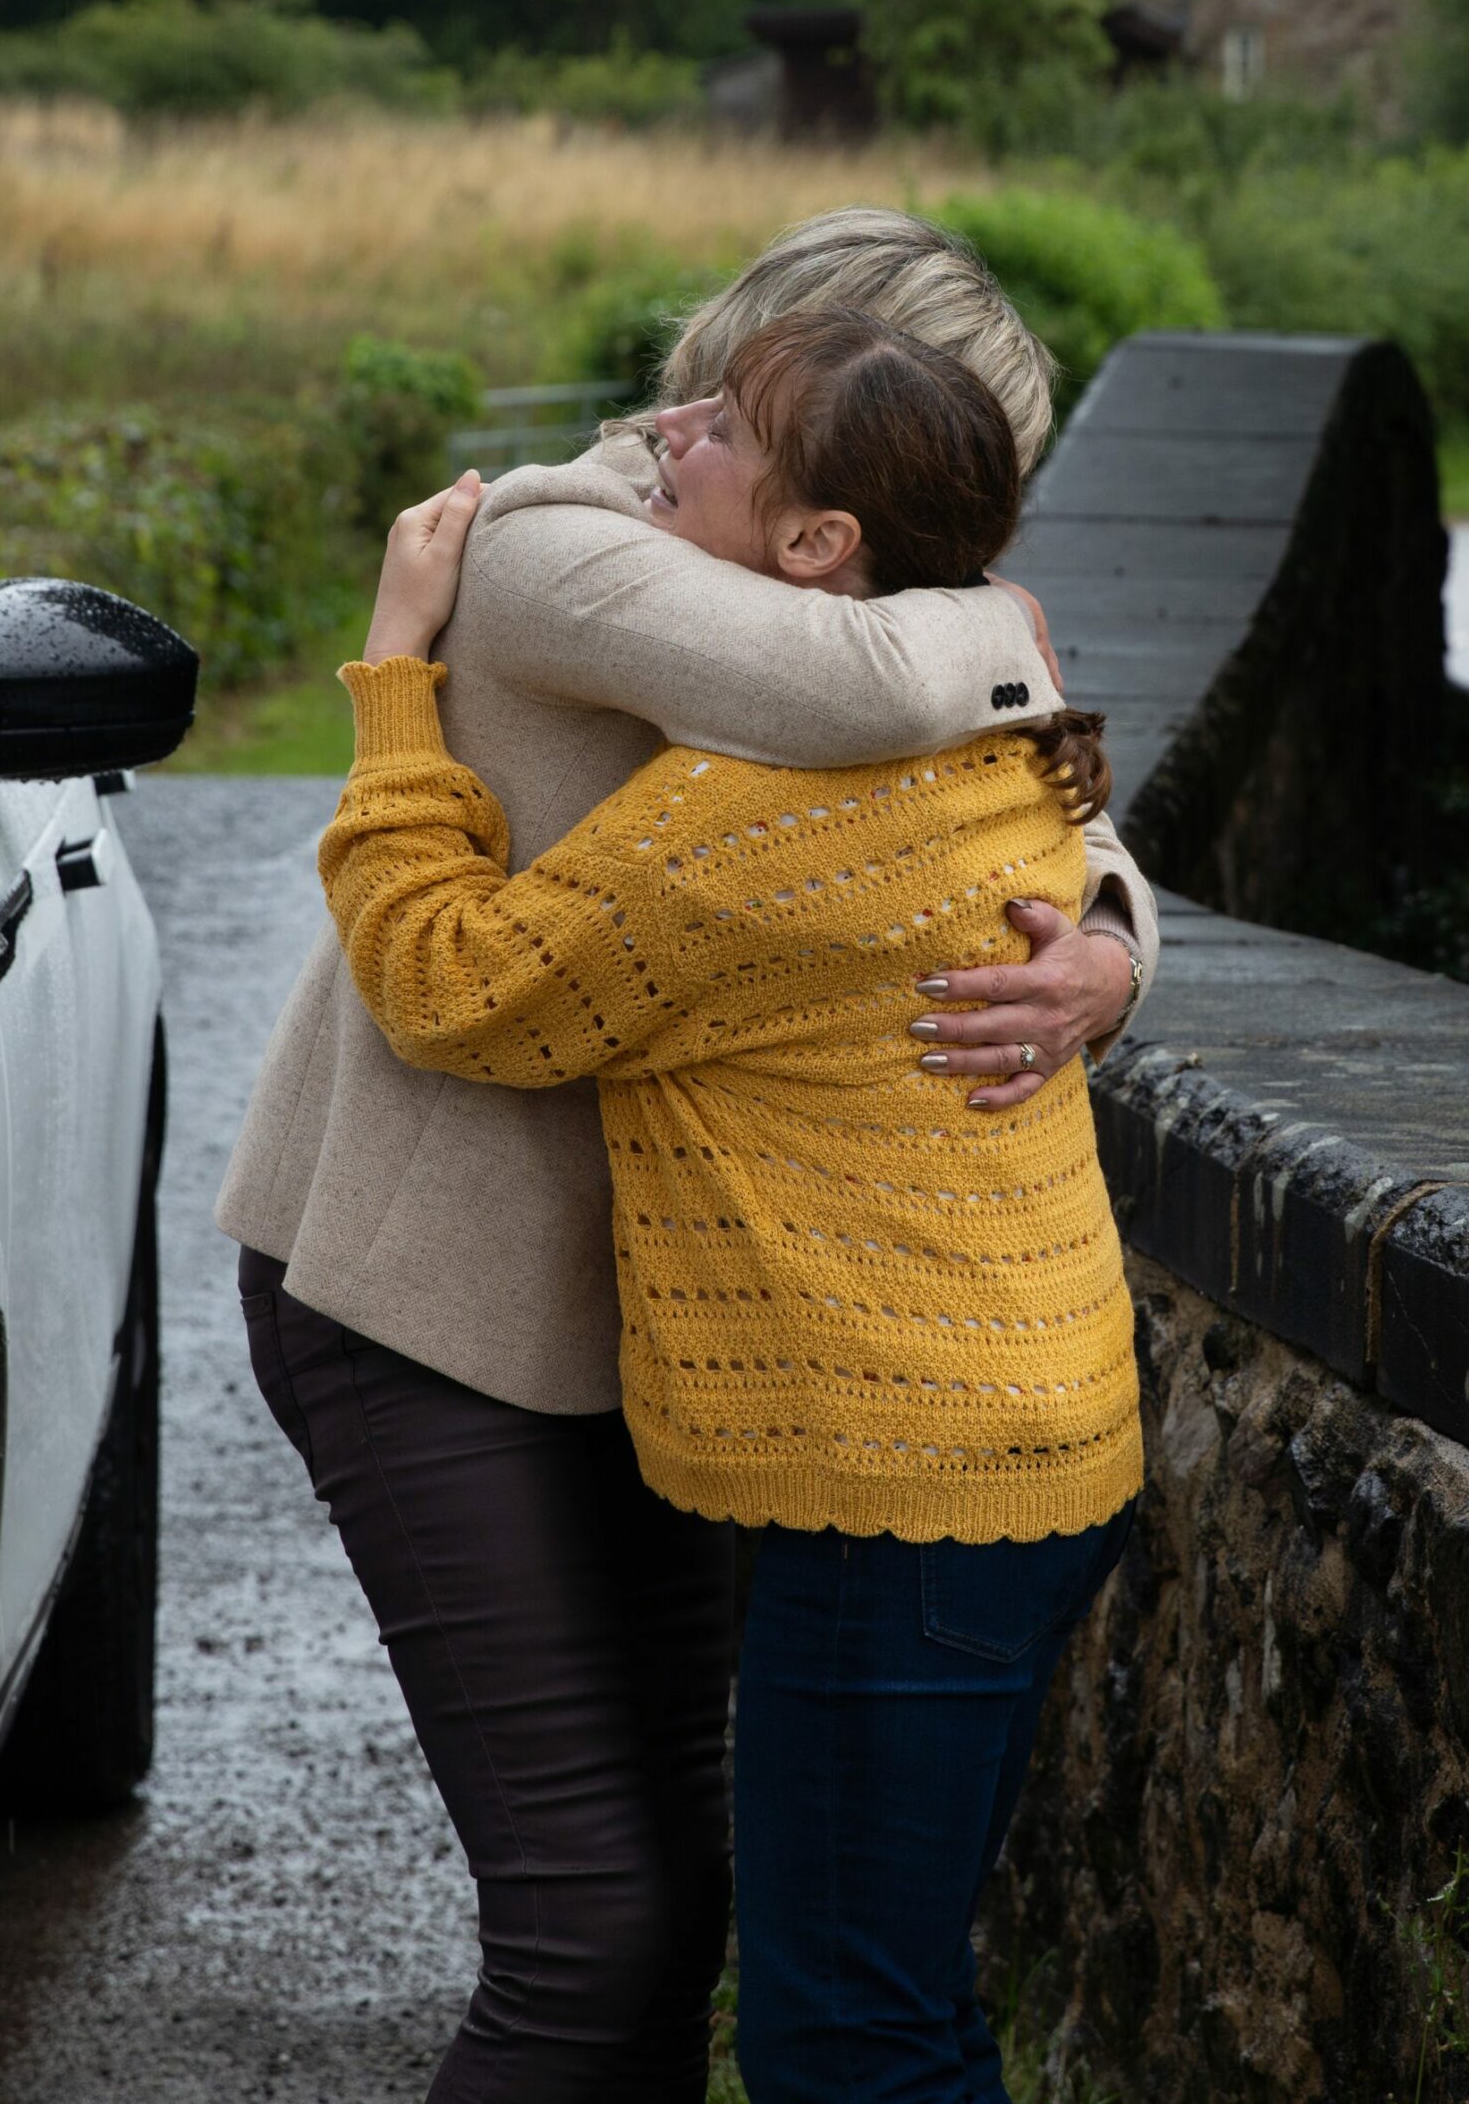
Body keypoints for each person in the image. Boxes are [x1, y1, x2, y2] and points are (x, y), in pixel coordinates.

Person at [217, 207, 1157, 2103]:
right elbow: (886, 701)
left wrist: (1113, 950)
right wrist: (998, 622)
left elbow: (1021, 808)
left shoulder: (844, 582)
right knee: (594, 1931)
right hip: (428, 1291)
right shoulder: (567, 542)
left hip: (663, 1323)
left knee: (689, 1919)